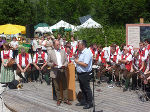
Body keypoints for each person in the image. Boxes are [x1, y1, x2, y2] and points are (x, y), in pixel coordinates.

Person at [47, 40, 72, 106]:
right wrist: (52, 65)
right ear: (54, 45)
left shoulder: (63, 51)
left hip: (62, 70)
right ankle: (59, 99)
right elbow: (48, 62)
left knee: (65, 86)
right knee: (57, 87)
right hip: (55, 71)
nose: (59, 46)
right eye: (57, 45)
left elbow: (66, 61)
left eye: (59, 44)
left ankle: (66, 99)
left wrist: (65, 65)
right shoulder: (50, 52)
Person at [74, 40, 93, 109]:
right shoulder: (81, 52)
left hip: (85, 73)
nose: (77, 47)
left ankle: (90, 103)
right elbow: (80, 60)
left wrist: (77, 61)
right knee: (82, 88)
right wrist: (76, 57)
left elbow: (85, 64)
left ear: (82, 45)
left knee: (87, 88)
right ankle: (84, 101)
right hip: (80, 73)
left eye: (78, 45)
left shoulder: (87, 52)